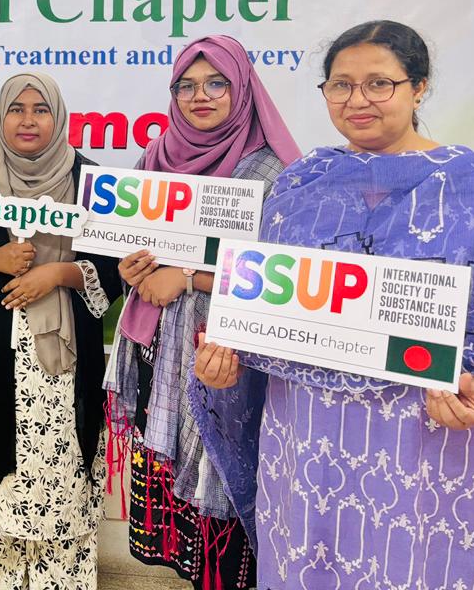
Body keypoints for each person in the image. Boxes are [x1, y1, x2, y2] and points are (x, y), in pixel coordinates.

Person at [192, 20, 474, 590]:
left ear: (418, 87)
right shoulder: (301, 182)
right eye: (341, 85)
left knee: (414, 567)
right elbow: (257, 307)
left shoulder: (473, 183)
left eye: (379, 83)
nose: (357, 100)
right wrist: (226, 362)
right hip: (306, 436)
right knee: (308, 562)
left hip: (424, 433)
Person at [104, 35, 300, 590]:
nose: (201, 96)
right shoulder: (156, 158)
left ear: (243, 90)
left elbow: (288, 278)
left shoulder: (273, 172)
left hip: (227, 363)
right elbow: (131, 245)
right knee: (184, 528)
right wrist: (133, 267)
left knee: (226, 504)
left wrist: (189, 277)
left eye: (217, 83)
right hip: (158, 356)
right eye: (186, 86)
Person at [0, 73, 120, 590]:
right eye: (17, 109)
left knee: (64, 491)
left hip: (65, 363)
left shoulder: (90, 180)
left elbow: (115, 264)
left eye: (41, 109)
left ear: (59, 117)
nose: (28, 120)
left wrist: (57, 273)